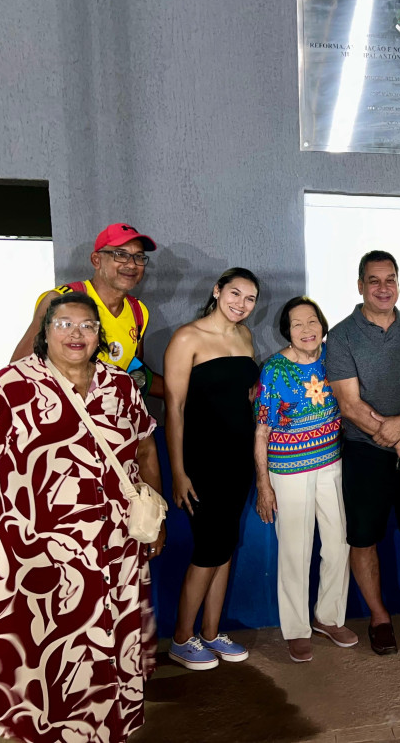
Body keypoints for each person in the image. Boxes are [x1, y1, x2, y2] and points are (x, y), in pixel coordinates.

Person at [0, 291, 164, 743]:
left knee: (112, 641)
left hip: (115, 550)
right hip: (36, 557)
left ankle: (111, 729)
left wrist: (155, 517)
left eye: (87, 325)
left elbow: (145, 446)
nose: (76, 333)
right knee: (42, 650)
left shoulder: (121, 385)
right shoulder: (7, 387)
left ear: (99, 336)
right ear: (43, 334)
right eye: (63, 324)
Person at [324, 250, 400, 656]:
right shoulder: (341, 335)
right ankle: (379, 618)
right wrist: (399, 440)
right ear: (360, 286)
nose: (383, 287)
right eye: (374, 280)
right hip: (365, 454)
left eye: (389, 279)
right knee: (364, 540)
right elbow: (349, 405)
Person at [164, 268, 260, 670]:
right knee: (208, 550)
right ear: (217, 290)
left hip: (239, 461)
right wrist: (179, 471)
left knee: (224, 548)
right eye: (235, 293)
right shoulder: (188, 337)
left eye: (250, 298)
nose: (241, 304)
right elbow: (174, 408)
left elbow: (245, 398)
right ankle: (181, 639)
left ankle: (210, 632)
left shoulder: (245, 337)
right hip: (202, 462)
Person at [255, 296, 355, 663]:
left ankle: (328, 617)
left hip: (332, 464)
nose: (307, 329)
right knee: (296, 551)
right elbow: (262, 431)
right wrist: (263, 485)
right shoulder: (275, 370)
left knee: (338, 544)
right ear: (287, 331)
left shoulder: (334, 356)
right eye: (297, 324)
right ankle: (296, 629)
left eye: (312, 321)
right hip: (288, 471)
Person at [12, 223, 165, 398]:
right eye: (121, 255)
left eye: (138, 257)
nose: (131, 265)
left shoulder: (139, 310)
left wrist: (185, 390)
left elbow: (132, 372)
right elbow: (19, 369)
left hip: (108, 418)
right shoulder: (60, 301)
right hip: (63, 415)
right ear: (96, 260)